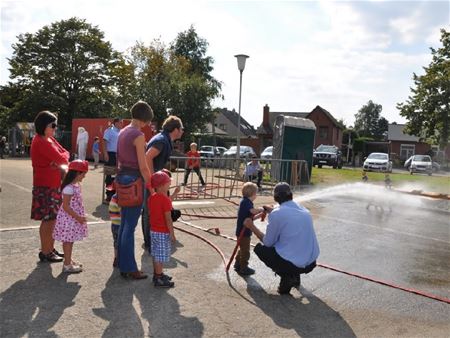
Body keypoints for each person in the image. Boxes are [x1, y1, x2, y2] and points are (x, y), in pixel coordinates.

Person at [243, 182, 320, 295]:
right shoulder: (304, 210)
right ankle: (295, 276)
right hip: (310, 262)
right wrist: (273, 211)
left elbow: (268, 242)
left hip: (293, 262)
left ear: (276, 197)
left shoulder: (277, 214)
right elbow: (285, 214)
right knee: (291, 245)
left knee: (261, 249)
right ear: (291, 195)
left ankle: (288, 277)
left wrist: (252, 226)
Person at [116, 101, 153, 280]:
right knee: (130, 227)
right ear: (145, 119)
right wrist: (152, 187)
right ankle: (130, 268)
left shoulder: (122, 131)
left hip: (121, 178)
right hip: (134, 181)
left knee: (124, 224)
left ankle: (123, 264)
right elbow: (143, 165)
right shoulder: (138, 135)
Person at [31, 111, 70, 263]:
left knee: (52, 219)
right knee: (48, 220)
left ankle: (49, 248)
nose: (55, 128)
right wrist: (57, 162)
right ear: (43, 126)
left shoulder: (49, 139)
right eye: (52, 125)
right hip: (46, 186)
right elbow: (62, 158)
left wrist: (57, 163)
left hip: (52, 185)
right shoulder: (42, 141)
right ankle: (46, 251)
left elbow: (66, 154)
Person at [142, 115, 184, 249]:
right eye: (181, 129)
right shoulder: (162, 140)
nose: (183, 131)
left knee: (154, 210)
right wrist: (153, 179)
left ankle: (151, 241)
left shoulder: (164, 139)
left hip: (154, 181)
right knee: (150, 211)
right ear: (176, 129)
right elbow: (148, 157)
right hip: (152, 182)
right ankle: (150, 244)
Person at [53, 160, 89, 273]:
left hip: (71, 218)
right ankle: (67, 265)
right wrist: (78, 217)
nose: (84, 177)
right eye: (83, 174)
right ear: (78, 173)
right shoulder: (69, 188)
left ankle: (68, 260)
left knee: (70, 240)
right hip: (69, 219)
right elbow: (66, 206)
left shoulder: (75, 185)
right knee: (68, 241)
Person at [148, 171, 176, 288]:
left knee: (156, 254)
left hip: (153, 231)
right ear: (162, 185)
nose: (169, 185)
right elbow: (168, 219)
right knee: (160, 256)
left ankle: (157, 274)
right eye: (168, 183)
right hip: (162, 232)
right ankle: (159, 278)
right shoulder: (165, 200)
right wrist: (172, 234)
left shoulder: (152, 198)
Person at [234, 182, 265, 276]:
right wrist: (261, 209)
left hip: (243, 231)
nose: (256, 195)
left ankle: (237, 264)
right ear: (253, 194)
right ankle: (244, 268)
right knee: (245, 251)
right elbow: (252, 211)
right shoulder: (246, 202)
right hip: (243, 232)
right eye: (256, 193)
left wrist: (259, 216)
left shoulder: (246, 202)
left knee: (242, 249)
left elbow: (249, 217)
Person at [103, 118, 122, 201]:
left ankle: (115, 193)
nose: (122, 124)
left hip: (118, 156)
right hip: (110, 154)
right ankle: (109, 195)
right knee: (109, 175)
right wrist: (105, 153)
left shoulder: (121, 132)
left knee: (117, 175)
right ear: (116, 123)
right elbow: (104, 142)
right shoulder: (109, 130)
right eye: (121, 123)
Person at [108, 193, 121, 268]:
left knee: (116, 242)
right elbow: (122, 212)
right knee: (120, 242)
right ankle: (119, 258)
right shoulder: (118, 198)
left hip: (114, 223)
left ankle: (116, 258)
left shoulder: (114, 197)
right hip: (119, 224)